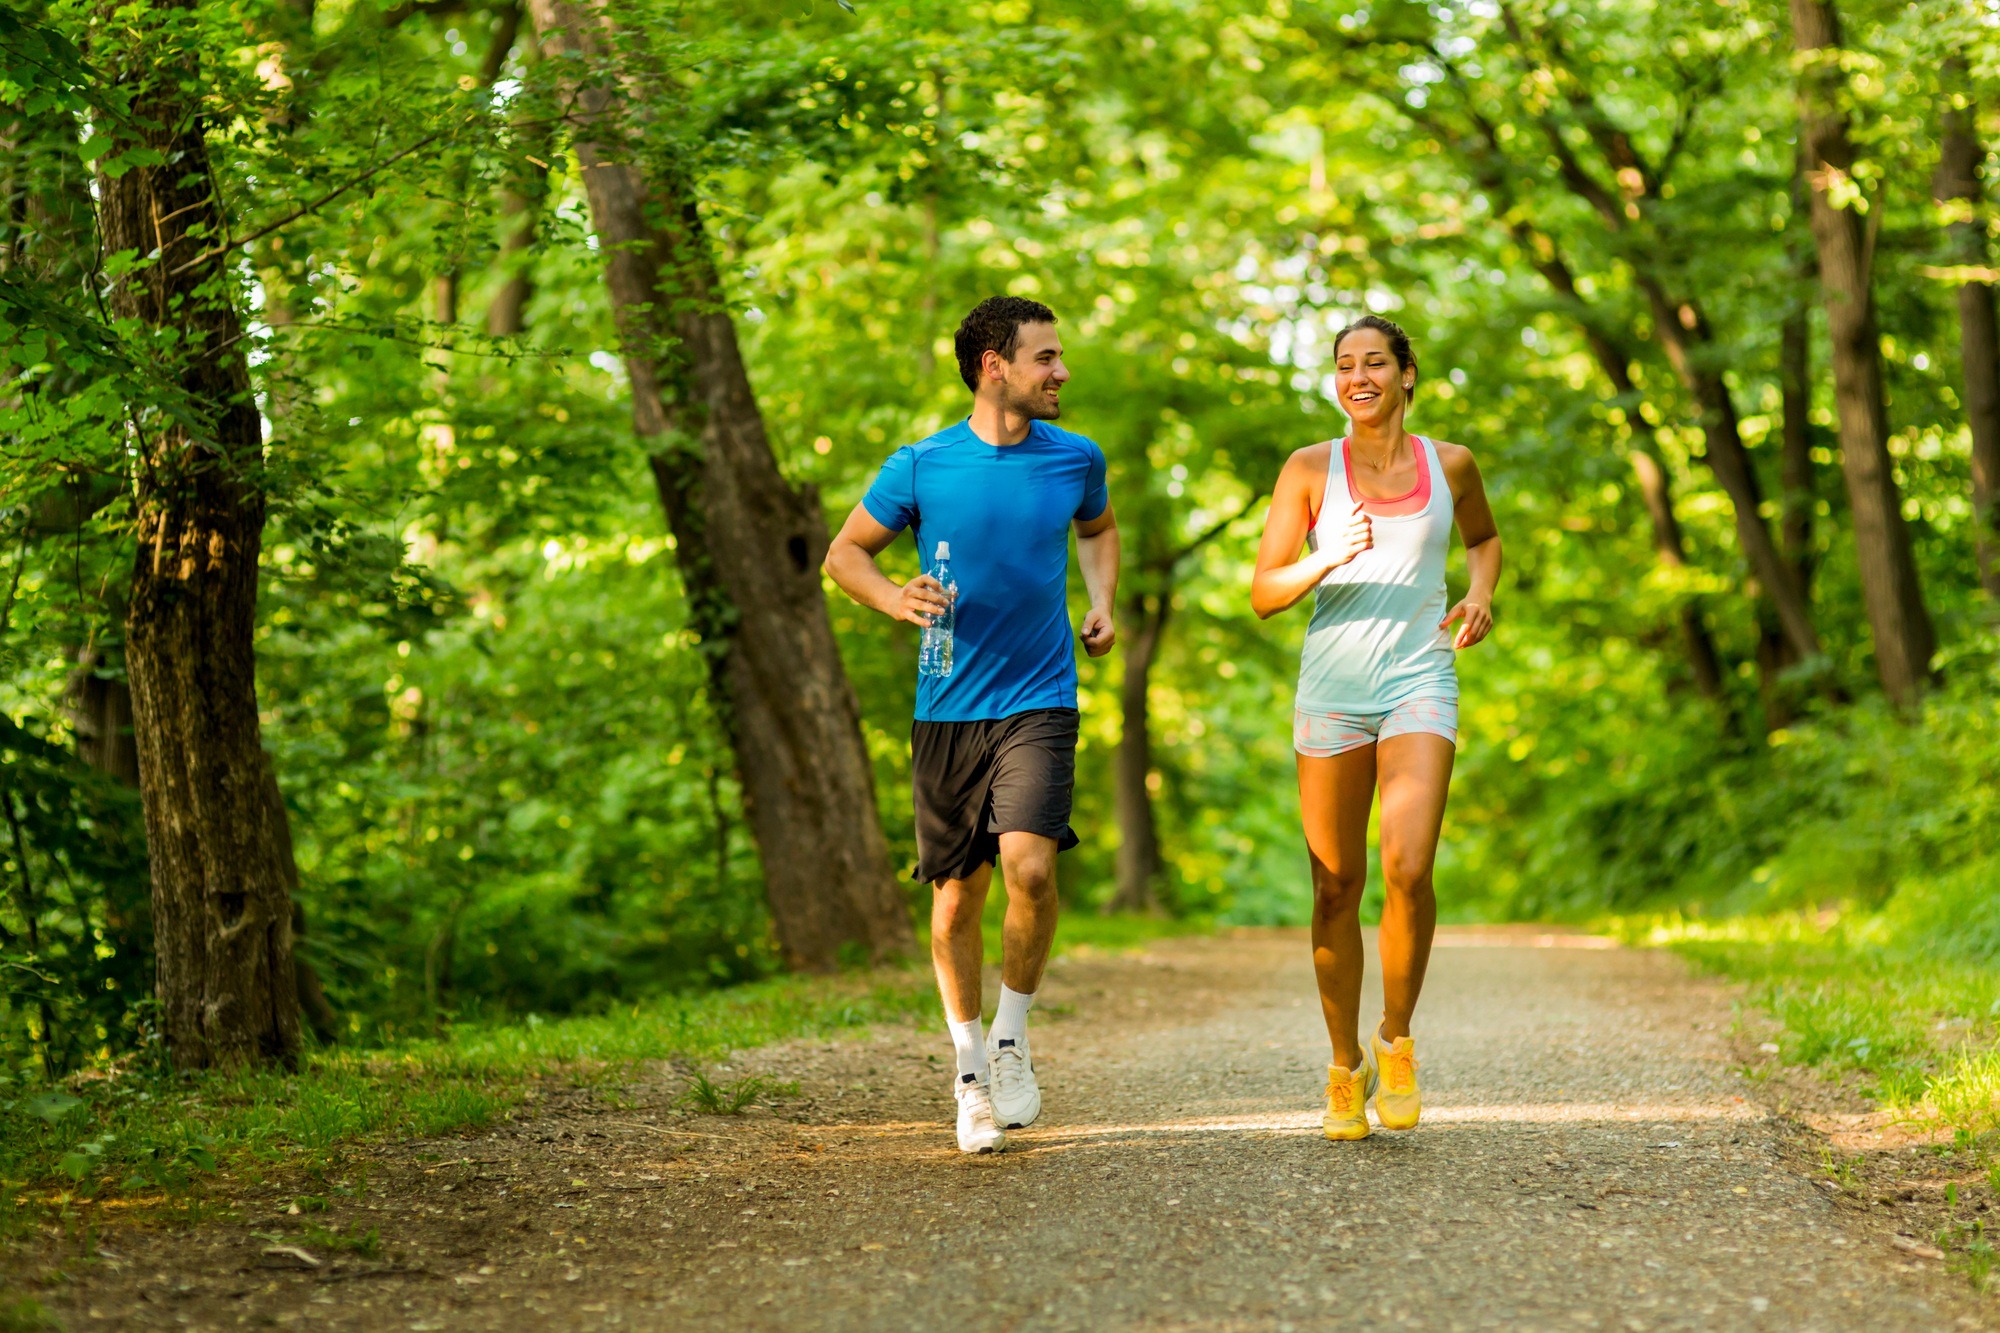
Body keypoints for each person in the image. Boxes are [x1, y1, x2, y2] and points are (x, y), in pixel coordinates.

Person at [824, 295, 1119, 1154]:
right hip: (949, 703)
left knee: (1029, 866)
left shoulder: (1076, 459)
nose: (1061, 372)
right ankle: (967, 1075)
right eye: (1045, 358)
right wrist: (892, 597)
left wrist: (1099, 603)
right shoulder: (921, 466)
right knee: (957, 901)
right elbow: (845, 554)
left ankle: (1012, 1039)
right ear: (995, 363)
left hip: (1041, 696)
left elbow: (1097, 530)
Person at [1250, 314, 1501, 1141]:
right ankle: (1342, 1065)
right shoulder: (1309, 468)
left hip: (1418, 677)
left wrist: (1480, 592)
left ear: (1406, 375)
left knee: (1410, 862)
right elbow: (1264, 591)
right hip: (1333, 687)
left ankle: (1396, 1037)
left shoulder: (1451, 464)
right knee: (1333, 884)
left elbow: (1485, 539)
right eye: (1345, 366)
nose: (1359, 377)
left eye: (1375, 363)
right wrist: (1326, 555)